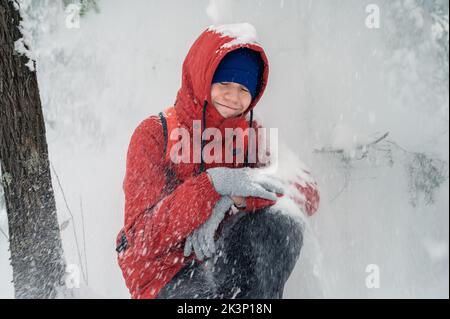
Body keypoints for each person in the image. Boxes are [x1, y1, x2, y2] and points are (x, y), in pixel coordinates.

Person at [116, 24, 320, 299]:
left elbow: (304, 192)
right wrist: (212, 185)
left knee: (283, 221)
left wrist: (235, 197)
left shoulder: (252, 134)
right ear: (202, 79)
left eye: (243, 89)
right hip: (167, 269)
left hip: (223, 257)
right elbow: (143, 238)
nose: (234, 97)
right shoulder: (155, 133)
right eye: (224, 84)